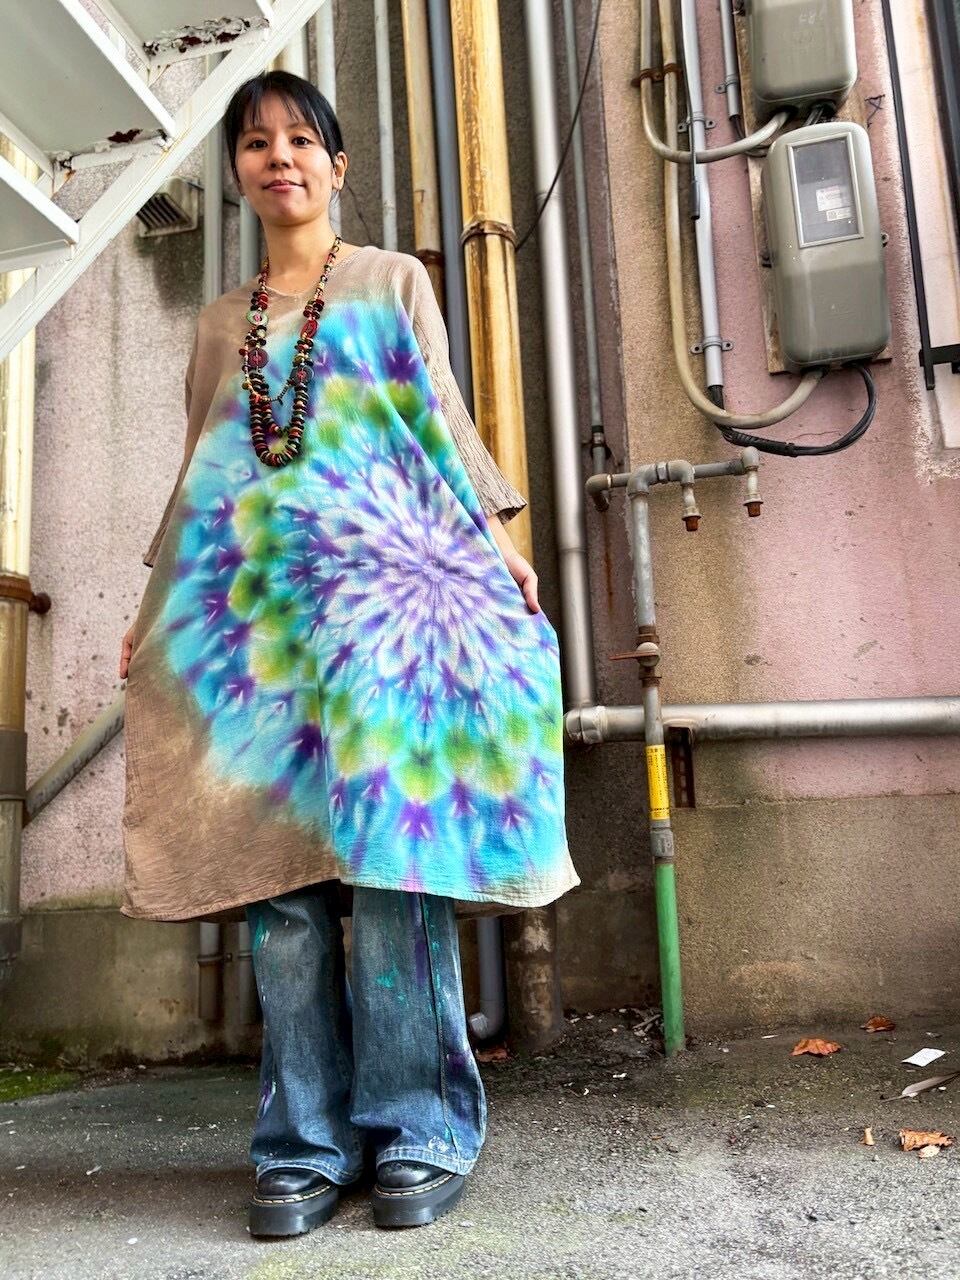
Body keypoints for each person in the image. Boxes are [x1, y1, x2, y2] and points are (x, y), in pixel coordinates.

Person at [118, 70, 579, 1235]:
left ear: (336, 163)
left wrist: (498, 540)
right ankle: (303, 1144)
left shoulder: (390, 281)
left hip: (387, 618)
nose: (279, 156)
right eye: (255, 141)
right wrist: (154, 601)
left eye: (300, 138)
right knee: (279, 890)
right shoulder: (217, 325)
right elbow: (202, 471)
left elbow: (440, 421)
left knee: (392, 876)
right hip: (264, 633)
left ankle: (421, 1130)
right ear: (238, 171)